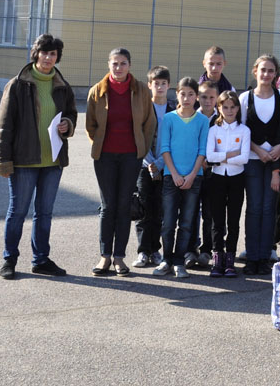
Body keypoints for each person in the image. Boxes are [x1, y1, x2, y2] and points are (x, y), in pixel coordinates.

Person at [0, 34, 77, 280]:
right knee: (18, 211)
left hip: (52, 161)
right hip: (24, 161)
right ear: (36, 54)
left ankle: (41, 259)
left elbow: (71, 113)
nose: (48, 58)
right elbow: (4, 125)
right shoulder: (18, 84)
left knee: (44, 212)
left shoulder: (62, 85)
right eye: (44, 53)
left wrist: (67, 124)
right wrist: (3, 161)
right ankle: (9, 259)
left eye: (53, 54)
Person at [86, 47, 158, 276]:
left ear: (130, 65)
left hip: (131, 157)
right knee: (108, 206)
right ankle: (104, 256)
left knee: (124, 206)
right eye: (115, 63)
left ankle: (119, 258)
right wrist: (100, 144)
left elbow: (149, 123)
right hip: (105, 157)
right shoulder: (97, 91)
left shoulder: (141, 91)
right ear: (109, 64)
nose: (118, 68)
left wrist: (141, 150)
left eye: (123, 63)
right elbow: (91, 125)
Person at [153, 77, 210, 279]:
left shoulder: (203, 121)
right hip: (171, 177)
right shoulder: (168, 119)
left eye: (191, 94)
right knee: (168, 222)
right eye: (182, 93)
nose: (186, 98)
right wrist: (175, 174)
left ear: (196, 97)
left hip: (194, 178)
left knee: (187, 222)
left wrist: (192, 175)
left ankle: (179, 261)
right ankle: (167, 259)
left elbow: (202, 151)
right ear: (176, 94)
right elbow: (165, 148)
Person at [239, 54, 280, 275]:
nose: (266, 74)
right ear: (255, 71)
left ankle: (265, 255)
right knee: (254, 208)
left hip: (275, 162)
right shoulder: (244, 98)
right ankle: (252, 256)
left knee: (270, 209)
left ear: (276, 74)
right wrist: (258, 150)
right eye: (263, 70)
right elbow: (239, 131)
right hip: (252, 160)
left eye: (270, 70)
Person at [204, 90, 251, 277]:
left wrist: (222, 157)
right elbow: (210, 156)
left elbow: (245, 158)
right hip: (217, 178)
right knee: (217, 221)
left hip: (236, 178)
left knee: (233, 220)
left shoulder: (244, 130)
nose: (229, 111)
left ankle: (230, 259)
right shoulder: (214, 130)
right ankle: (218, 258)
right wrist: (231, 154)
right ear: (219, 108)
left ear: (238, 108)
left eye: (233, 107)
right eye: (225, 107)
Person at [133, 66, 174, 269]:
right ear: (149, 85)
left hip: (164, 166)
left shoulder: (173, 110)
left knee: (159, 210)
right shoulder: (143, 108)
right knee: (143, 208)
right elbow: (139, 137)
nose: (159, 87)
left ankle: (155, 250)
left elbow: (174, 140)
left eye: (163, 83)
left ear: (169, 85)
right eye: (155, 83)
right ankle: (142, 250)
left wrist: (159, 164)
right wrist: (150, 163)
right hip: (144, 165)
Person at [187, 80, 221, 270]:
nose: (207, 101)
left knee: (210, 213)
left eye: (211, 97)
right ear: (197, 97)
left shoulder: (221, 119)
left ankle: (206, 249)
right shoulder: (191, 117)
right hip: (193, 171)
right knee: (191, 212)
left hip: (213, 173)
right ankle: (190, 249)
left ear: (216, 98)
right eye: (203, 97)